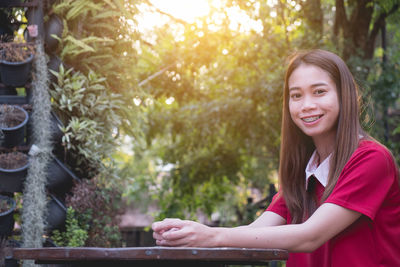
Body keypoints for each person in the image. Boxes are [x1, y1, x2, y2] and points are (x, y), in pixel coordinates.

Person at [152, 49, 400, 267]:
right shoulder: (305, 172)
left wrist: (213, 236)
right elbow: (254, 233)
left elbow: (309, 236)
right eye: (296, 96)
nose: (306, 105)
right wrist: (190, 232)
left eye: (319, 91)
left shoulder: (371, 159)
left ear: (344, 96)